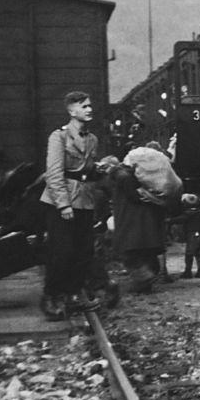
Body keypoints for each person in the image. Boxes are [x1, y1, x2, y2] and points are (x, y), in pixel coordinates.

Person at [39, 91, 104, 319]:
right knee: (61, 251)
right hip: (62, 201)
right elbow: (54, 173)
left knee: (83, 251)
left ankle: (73, 294)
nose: (89, 109)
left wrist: (98, 170)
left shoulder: (92, 139)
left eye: (89, 105)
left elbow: (86, 171)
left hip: (84, 200)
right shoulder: (59, 137)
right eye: (84, 106)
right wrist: (64, 205)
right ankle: (52, 296)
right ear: (71, 111)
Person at [100, 155, 166, 293]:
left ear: (109, 166)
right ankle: (145, 284)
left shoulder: (121, 176)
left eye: (103, 167)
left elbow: (133, 197)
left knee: (129, 251)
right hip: (141, 219)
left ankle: (145, 277)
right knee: (144, 251)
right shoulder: (128, 174)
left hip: (131, 219)